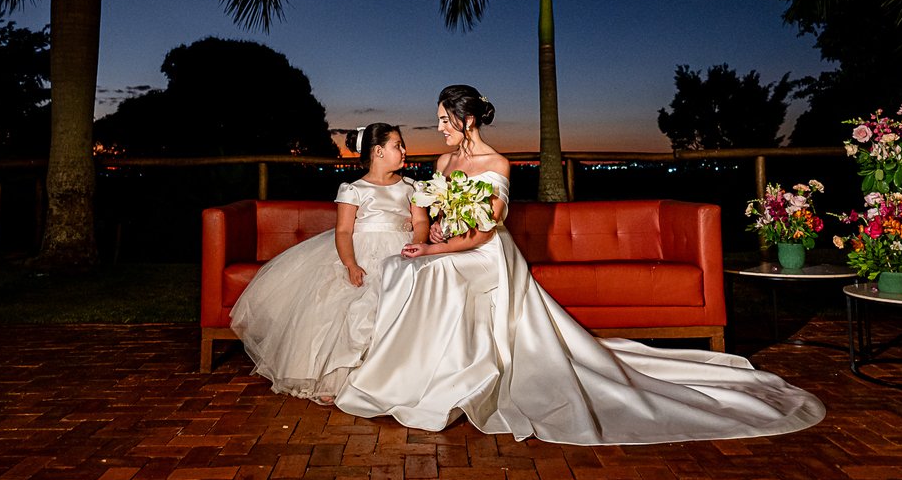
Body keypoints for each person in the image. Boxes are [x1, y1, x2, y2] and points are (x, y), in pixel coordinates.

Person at [334, 86, 826, 445]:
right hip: (455, 245)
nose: (438, 127)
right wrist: (437, 232)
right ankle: (408, 373)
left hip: (487, 254)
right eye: (438, 119)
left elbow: (485, 230)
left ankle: (449, 380)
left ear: (466, 121)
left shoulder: (498, 165)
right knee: (410, 268)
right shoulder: (442, 166)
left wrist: (438, 249)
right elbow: (443, 216)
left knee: (433, 269)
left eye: (443, 118)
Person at [230, 122, 428, 404]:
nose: (404, 150)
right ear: (378, 151)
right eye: (398, 145)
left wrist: (416, 244)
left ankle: (393, 379)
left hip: (402, 251)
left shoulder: (411, 186)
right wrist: (351, 264)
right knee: (349, 306)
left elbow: (421, 221)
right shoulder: (354, 189)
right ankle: (337, 379)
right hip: (363, 252)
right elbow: (344, 231)